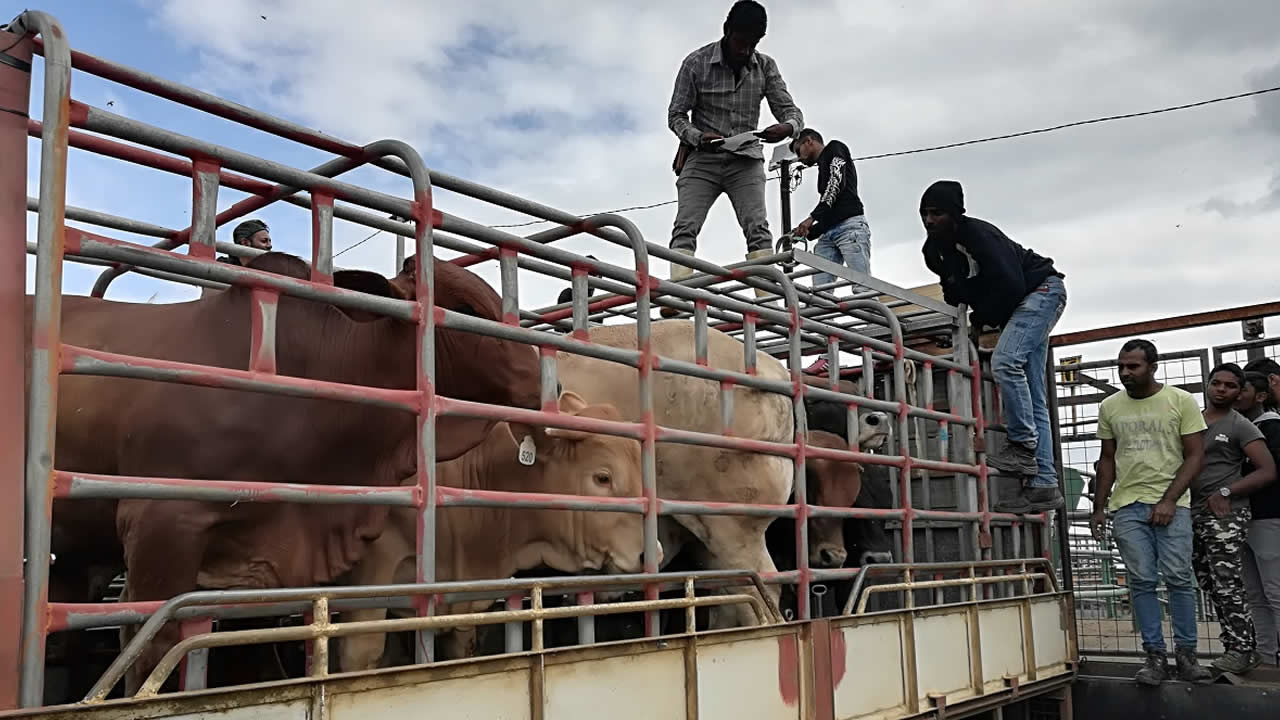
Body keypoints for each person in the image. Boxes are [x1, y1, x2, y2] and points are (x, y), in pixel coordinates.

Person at [918, 180, 1066, 512]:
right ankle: (1045, 484)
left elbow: (1011, 286)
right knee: (1033, 392)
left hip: (1040, 292)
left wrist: (982, 316)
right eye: (925, 214)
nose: (929, 221)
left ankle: (1024, 445)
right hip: (1020, 304)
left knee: (1005, 363)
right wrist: (971, 318)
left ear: (956, 214)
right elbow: (954, 292)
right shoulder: (935, 251)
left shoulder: (981, 237)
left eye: (937, 213)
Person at [1090, 338, 1209, 686]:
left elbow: (1195, 456)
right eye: (1121, 366)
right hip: (1127, 505)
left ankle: (1187, 656)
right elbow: (1107, 459)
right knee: (1141, 581)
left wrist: (1169, 499)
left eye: (1133, 366)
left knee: (1178, 579)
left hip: (1173, 504)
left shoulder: (1180, 401)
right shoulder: (1110, 406)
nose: (1125, 372)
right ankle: (1154, 657)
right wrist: (1099, 507)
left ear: (1152, 367)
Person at [665, 0, 804, 299]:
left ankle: (765, 298)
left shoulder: (765, 66)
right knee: (685, 225)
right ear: (727, 32)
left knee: (758, 227)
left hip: (746, 160)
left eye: (753, 44)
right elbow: (676, 115)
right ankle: (677, 295)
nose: (746, 50)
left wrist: (787, 128)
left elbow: (791, 112)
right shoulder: (696, 63)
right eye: (741, 42)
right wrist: (698, 136)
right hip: (703, 157)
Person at [1190, 363, 1274, 674]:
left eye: (1229, 385)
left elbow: (1268, 470)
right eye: (1216, 383)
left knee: (1227, 581)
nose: (1221, 389)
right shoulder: (1191, 421)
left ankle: (1242, 649)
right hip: (1193, 512)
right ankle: (1234, 645)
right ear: (1207, 385)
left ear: (1239, 392)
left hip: (1227, 515)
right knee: (1208, 581)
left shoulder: (1240, 425)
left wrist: (1226, 491)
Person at [789, 128, 871, 290]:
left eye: (799, 151)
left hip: (849, 227)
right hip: (831, 231)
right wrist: (809, 231)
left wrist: (811, 218)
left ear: (809, 141)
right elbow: (833, 205)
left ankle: (875, 313)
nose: (799, 158)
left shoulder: (834, 148)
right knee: (820, 294)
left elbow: (835, 184)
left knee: (862, 288)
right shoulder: (823, 166)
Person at [1240, 360, 1280, 666]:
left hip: (1268, 517)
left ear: (1261, 395)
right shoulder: (1250, 430)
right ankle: (1266, 656)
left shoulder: (1271, 429)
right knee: (1258, 593)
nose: (1237, 396)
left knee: (1273, 591)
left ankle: (1270, 654)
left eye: (1244, 390)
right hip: (1250, 518)